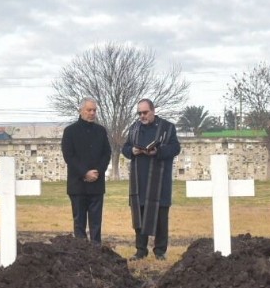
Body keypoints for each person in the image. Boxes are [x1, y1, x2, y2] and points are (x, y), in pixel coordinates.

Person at [121, 98, 180, 261]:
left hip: (159, 182)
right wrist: (132, 150)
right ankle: (140, 250)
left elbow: (176, 148)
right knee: (139, 217)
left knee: (161, 218)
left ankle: (160, 251)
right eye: (139, 113)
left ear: (153, 111)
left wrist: (158, 152)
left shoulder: (167, 128)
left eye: (145, 112)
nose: (142, 116)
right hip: (139, 182)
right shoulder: (134, 129)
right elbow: (124, 149)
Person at [60, 97, 111, 244]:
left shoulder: (101, 131)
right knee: (79, 223)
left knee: (96, 223)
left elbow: (106, 154)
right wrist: (85, 173)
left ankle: (96, 251)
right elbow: (69, 156)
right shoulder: (70, 131)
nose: (92, 113)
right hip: (78, 185)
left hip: (96, 184)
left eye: (94, 110)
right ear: (81, 110)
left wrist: (98, 172)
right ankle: (81, 252)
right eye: (89, 110)